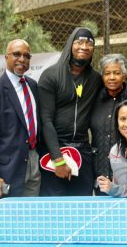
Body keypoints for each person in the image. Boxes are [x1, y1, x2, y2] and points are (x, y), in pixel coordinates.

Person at [38, 27, 102, 196]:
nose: (84, 46)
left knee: (83, 207)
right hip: (55, 151)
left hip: (83, 151)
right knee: (55, 210)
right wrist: (58, 160)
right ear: (70, 45)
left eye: (89, 43)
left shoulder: (95, 79)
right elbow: (46, 120)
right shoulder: (50, 75)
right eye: (79, 41)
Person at [0, 39, 41, 199]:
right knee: (7, 221)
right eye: (17, 54)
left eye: (26, 55)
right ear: (6, 57)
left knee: (31, 217)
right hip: (6, 171)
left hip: (33, 162)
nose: (22, 59)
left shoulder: (32, 86)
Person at [90, 53, 127, 196]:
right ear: (102, 76)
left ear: (124, 75)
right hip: (100, 171)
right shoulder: (94, 101)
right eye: (107, 73)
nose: (112, 77)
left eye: (117, 73)